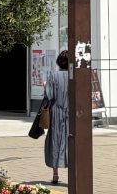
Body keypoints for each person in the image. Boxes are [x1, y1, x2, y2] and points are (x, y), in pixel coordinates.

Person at [41, 49, 72, 185]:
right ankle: (73, 171)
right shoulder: (74, 76)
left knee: (54, 140)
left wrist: (45, 86)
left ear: (59, 62)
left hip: (56, 113)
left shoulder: (53, 76)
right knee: (70, 141)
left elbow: (49, 95)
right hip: (71, 114)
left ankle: (55, 174)